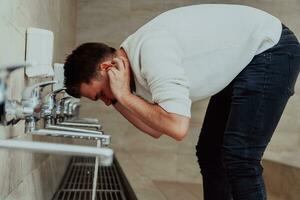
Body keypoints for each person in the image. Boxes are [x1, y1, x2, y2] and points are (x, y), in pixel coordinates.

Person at [63, 4, 300, 200]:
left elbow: (176, 127)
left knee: (240, 155)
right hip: (248, 60)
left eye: (100, 94)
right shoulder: (134, 61)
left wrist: (123, 96)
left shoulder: (151, 53)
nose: (106, 102)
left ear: (108, 68)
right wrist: (120, 98)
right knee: (209, 152)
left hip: (271, 48)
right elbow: (155, 128)